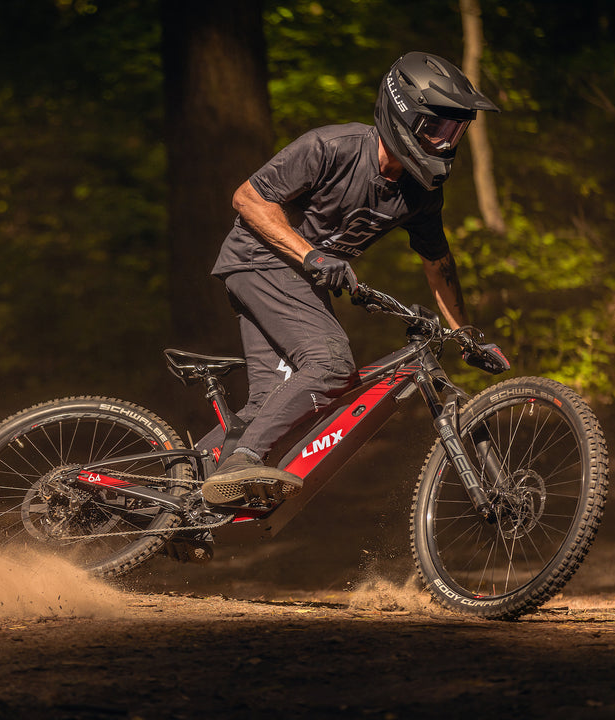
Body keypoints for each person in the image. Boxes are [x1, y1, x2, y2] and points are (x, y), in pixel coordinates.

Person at [200, 51, 501, 507]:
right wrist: (311, 256)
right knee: (332, 364)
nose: (445, 142)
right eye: (437, 129)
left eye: (455, 132)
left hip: (299, 280)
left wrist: (465, 335)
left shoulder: (420, 194)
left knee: (274, 405)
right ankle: (241, 460)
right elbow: (247, 199)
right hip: (259, 261)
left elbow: (437, 262)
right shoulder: (331, 147)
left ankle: (183, 488)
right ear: (403, 114)